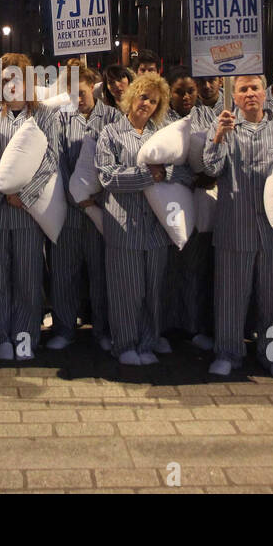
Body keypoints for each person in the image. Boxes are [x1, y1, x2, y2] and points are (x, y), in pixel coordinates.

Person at [201, 74, 273, 377]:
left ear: (264, 91)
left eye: (254, 88)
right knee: (230, 295)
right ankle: (228, 352)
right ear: (234, 94)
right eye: (242, 89)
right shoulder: (223, 126)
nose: (249, 94)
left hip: (272, 230)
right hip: (234, 227)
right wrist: (218, 136)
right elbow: (210, 168)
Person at [95, 73, 194, 366]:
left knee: (153, 289)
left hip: (155, 226)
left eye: (153, 100)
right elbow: (106, 176)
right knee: (125, 289)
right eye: (143, 96)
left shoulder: (163, 136)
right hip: (123, 225)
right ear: (131, 97)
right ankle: (124, 344)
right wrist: (146, 175)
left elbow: (186, 174)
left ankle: (148, 341)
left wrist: (165, 174)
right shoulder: (110, 134)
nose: (147, 104)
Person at [0, 54, 58, 361]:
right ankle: (1, 336)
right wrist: (0, 191)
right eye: (7, 78)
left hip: (27, 212)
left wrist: (23, 193)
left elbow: (51, 159)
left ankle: (25, 337)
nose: (13, 84)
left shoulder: (44, 115)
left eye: (18, 78)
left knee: (27, 278)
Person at [48, 66, 119, 350]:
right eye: (71, 93)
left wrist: (97, 198)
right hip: (68, 210)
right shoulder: (60, 118)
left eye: (82, 92)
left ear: (93, 86)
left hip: (100, 211)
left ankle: (102, 330)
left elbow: (116, 157)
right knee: (64, 273)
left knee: (101, 274)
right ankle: (64, 329)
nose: (78, 98)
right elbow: (55, 157)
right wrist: (73, 195)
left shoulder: (113, 117)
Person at [160, 67, 217, 350]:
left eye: (190, 91)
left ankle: (194, 325)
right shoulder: (161, 119)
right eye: (179, 91)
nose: (185, 96)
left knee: (196, 266)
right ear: (169, 92)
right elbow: (156, 161)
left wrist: (210, 173)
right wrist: (187, 177)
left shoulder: (209, 116)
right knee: (170, 265)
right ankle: (167, 324)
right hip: (169, 198)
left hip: (201, 200)